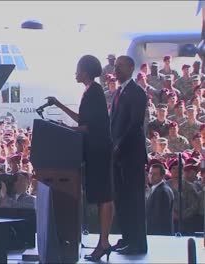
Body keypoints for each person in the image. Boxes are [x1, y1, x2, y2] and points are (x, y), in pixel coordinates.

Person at [46, 55, 114, 261]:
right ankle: (103, 243)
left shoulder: (95, 92)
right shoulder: (89, 91)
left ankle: (103, 243)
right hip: (93, 150)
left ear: (84, 71)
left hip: (99, 151)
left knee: (105, 196)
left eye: (77, 69)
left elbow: (90, 127)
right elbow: (82, 119)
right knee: (102, 196)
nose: (75, 73)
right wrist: (58, 105)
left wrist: (68, 129)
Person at [110, 55, 148, 255]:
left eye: (120, 66)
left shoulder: (137, 92)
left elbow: (134, 125)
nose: (116, 70)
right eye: (115, 66)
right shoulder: (118, 92)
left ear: (131, 68)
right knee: (122, 200)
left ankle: (138, 243)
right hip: (117, 157)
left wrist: (118, 146)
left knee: (134, 201)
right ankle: (127, 238)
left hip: (131, 155)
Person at [146, 163, 174, 236]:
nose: (151, 176)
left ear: (162, 176)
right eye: (150, 173)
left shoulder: (162, 191)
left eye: (155, 174)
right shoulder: (157, 189)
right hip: (157, 233)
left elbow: (157, 216)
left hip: (159, 234)